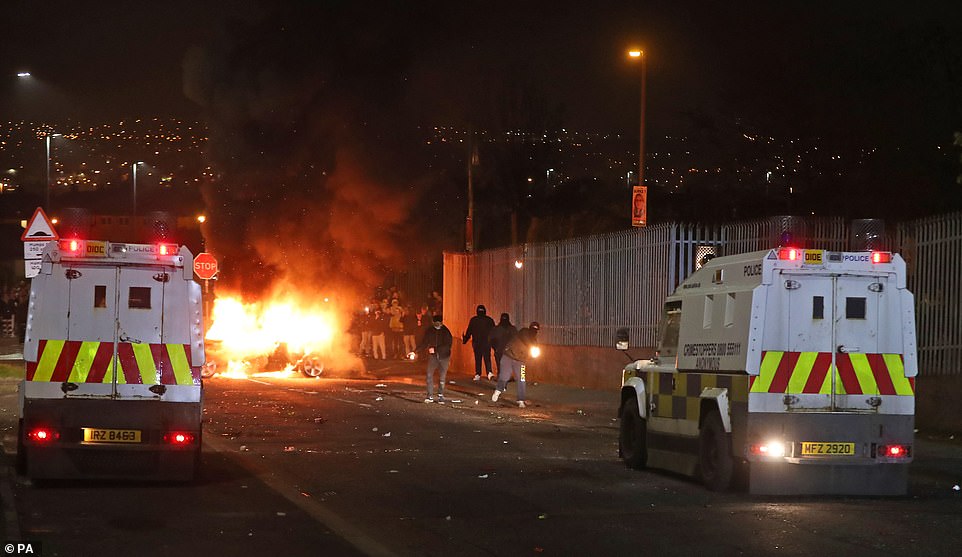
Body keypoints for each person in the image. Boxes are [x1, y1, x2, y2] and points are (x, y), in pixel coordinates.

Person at [493, 321, 540, 408]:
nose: (534, 331)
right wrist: (532, 347)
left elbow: (533, 354)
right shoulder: (524, 332)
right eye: (533, 328)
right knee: (504, 376)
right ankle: (498, 390)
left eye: (536, 330)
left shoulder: (534, 341)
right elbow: (525, 339)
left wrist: (533, 353)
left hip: (520, 361)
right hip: (509, 356)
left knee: (522, 379)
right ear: (530, 327)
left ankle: (521, 400)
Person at [411, 314, 453, 403]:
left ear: (441, 323)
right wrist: (415, 351)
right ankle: (429, 395)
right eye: (436, 323)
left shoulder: (446, 332)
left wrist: (436, 349)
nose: (437, 325)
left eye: (439, 323)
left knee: (442, 377)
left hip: (444, 357)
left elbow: (448, 345)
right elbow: (424, 343)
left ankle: (440, 395)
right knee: (429, 375)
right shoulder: (430, 331)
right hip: (433, 357)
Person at [462, 304, 496, 380]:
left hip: (476, 343)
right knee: (487, 358)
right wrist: (494, 342)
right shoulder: (489, 320)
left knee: (478, 358)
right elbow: (494, 332)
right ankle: (489, 372)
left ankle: (478, 374)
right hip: (486, 343)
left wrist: (465, 340)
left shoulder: (474, 320)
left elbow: (469, 331)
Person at [487, 313, 517, 378]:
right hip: (503, 351)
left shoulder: (497, 329)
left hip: (502, 351)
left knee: (502, 365)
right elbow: (491, 339)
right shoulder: (512, 329)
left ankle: (503, 377)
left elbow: (490, 339)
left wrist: (495, 347)